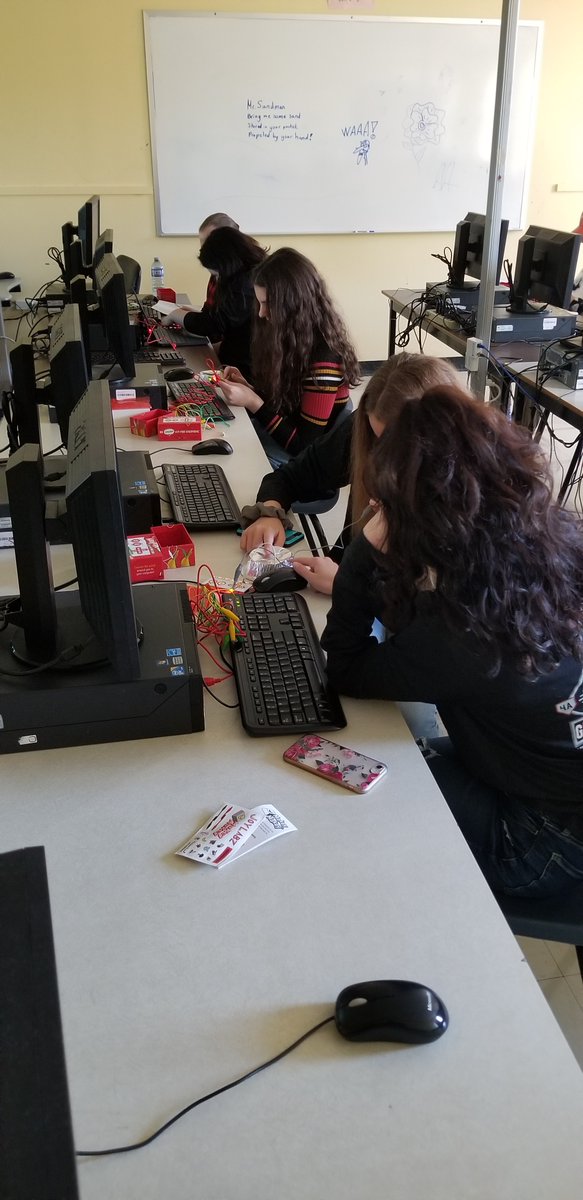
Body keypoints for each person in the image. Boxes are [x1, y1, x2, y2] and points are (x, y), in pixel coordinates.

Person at [322, 383, 583, 898]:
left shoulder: (462, 633)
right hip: (558, 791)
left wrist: (364, 548)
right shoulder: (553, 549)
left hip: (540, 839)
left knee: (361, 782)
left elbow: (346, 667)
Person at [239, 354, 461, 594]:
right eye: (376, 439)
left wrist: (346, 585)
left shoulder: (469, 496)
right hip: (344, 581)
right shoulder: (364, 429)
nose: (382, 455)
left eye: (394, 445)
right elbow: (291, 477)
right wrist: (271, 512)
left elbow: (435, 606)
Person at [219, 248, 360, 466]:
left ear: (293, 303)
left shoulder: (324, 360)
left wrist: (253, 401)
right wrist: (248, 388)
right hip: (285, 441)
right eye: (260, 303)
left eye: (267, 304)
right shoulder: (296, 338)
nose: (261, 313)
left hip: (301, 460)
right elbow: (287, 408)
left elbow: (303, 446)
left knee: (231, 460)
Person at [164, 225, 266, 379]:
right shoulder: (243, 272)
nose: (216, 279)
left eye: (217, 274)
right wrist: (190, 316)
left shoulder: (246, 284)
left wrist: (176, 314)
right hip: (236, 354)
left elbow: (215, 324)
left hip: (246, 367)